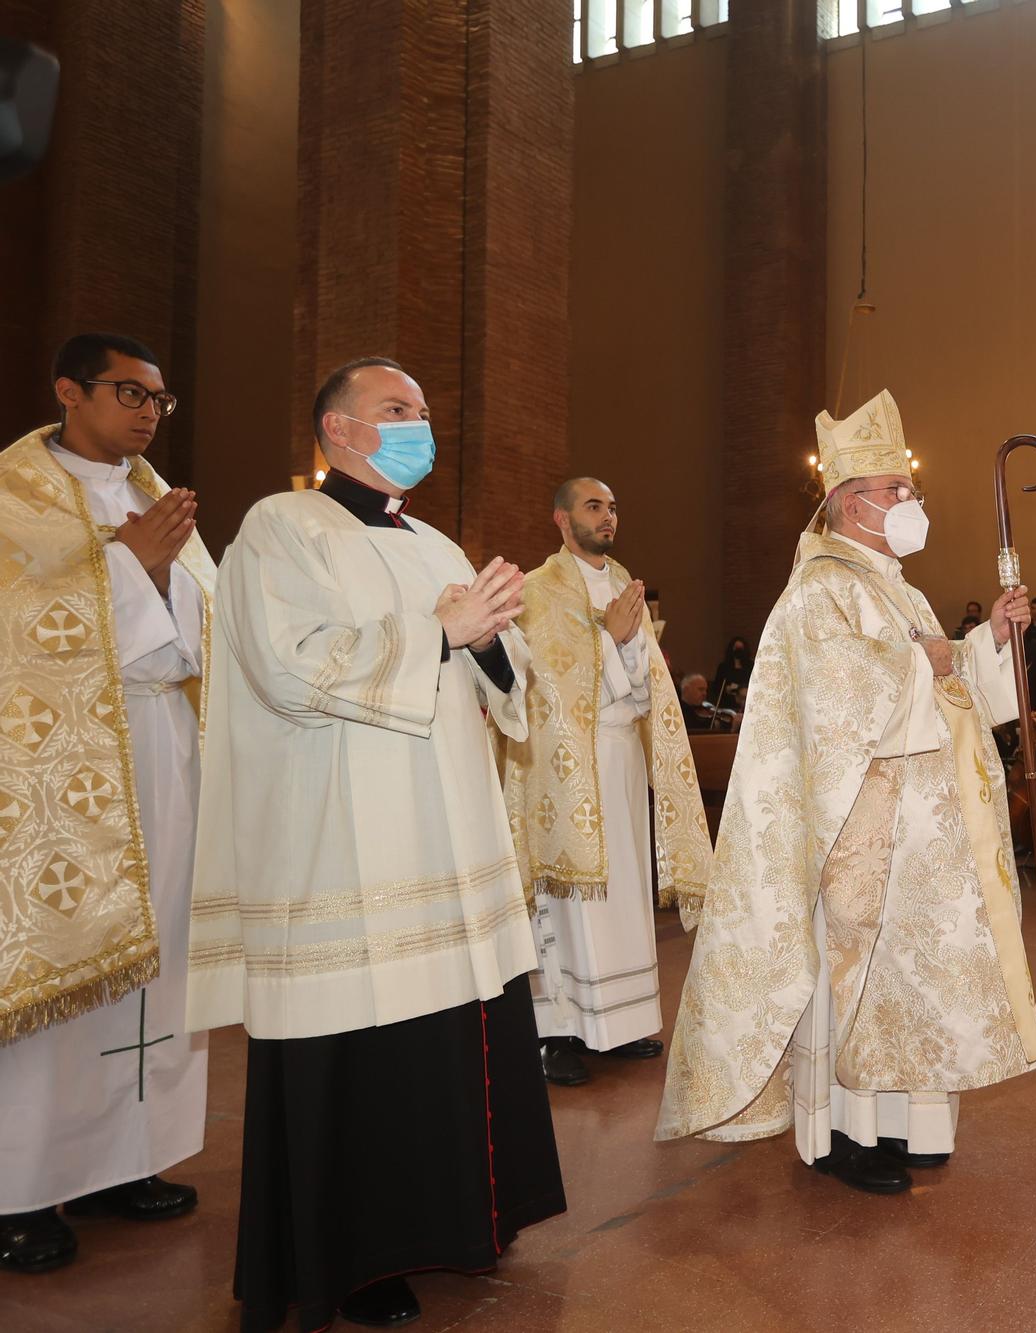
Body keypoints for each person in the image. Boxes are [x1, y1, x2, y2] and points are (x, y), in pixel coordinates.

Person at [186, 357, 565, 1330]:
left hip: (443, 832)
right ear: (338, 430)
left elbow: (502, 684)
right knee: (368, 1042)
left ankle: (463, 1219)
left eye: (425, 412)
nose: (418, 425)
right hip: (345, 839)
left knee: (448, 1028)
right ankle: (358, 1256)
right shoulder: (280, 527)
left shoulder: (437, 538)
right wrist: (438, 633)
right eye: (395, 410)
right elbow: (287, 667)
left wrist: (485, 642)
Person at [655, 388, 1036, 1196]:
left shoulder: (898, 585)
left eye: (909, 488)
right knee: (858, 976)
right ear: (847, 501)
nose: (912, 501)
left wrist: (987, 642)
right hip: (860, 830)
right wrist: (924, 662)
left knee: (917, 976)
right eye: (897, 490)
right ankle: (841, 1134)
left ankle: (910, 1124)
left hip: (921, 831)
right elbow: (836, 699)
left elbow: (945, 682)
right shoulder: (818, 590)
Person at [0, 334, 212, 1274]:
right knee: (63, 958)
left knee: (157, 956)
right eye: (130, 392)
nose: (147, 412)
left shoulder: (153, 496)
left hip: (162, 742)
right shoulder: (12, 495)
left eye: (160, 400)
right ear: (67, 391)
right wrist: (125, 566)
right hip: (56, 769)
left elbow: (208, 616)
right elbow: (19, 622)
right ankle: (20, 1187)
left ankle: (124, 1158)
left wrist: (161, 571)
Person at [504, 477, 710, 1088]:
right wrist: (609, 639)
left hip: (620, 758)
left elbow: (646, 686)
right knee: (570, 899)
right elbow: (538, 680)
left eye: (614, 506)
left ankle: (618, 1025)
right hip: (565, 769)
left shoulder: (625, 586)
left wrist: (625, 645)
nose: (608, 516)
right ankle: (560, 1033)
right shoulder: (537, 593)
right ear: (562, 520)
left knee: (623, 889)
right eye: (594, 506)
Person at [712, 635, 752, 712]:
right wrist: (726, 688)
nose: (738, 650)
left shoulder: (750, 666)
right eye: (736, 648)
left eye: (740, 648)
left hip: (746, 702)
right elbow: (717, 686)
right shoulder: (723, 666)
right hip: (727, 702)